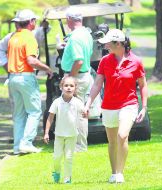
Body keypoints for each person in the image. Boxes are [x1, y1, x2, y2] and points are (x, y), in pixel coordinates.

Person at [84, 29, 148, 183]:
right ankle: (114, 173)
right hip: (109, 105)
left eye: (107, 43)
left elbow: (143, 85)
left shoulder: (136, 61)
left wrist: (144, 107)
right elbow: (97, 84)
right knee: (112, 141)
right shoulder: (105, 61)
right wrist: (88, 104)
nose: (105, 45)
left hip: (129, 104)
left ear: (118, 44)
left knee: (122, 135)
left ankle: (120, 173)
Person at [7, 9, 53, 154]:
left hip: (13, 78)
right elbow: (31, 60)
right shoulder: (29, 37)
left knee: (19, 114)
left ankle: (17, 146)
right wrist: (48, 69)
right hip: (25, 77)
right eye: (35, 21)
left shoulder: (14, 37)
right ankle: (26, 143)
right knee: (34, 111)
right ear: (31, 22)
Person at [60, 8, 93, 152]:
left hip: (77, 76)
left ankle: (79, 146)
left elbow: (78, 61)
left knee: (77, 113)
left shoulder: (74, 38)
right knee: (78, 111)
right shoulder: (86, 33)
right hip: (84, 75)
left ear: (69, 20)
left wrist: (69, 79)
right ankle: (77, 144)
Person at [44, 76, 84, 184]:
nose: (69, 88)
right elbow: (50, 118)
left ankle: (67, 178)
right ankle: (57, 172)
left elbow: (84, 112)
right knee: (57, 157)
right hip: (59, 135)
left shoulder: (77, 102)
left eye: (71, 86)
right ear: (61, 87)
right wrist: (46, 133)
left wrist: (86, 113)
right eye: (66, 85)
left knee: (69, 157)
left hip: (72, 135)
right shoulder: (57, 102)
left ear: (75, 88)